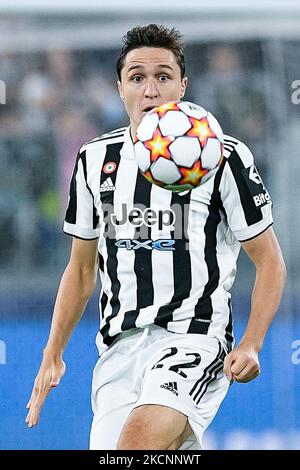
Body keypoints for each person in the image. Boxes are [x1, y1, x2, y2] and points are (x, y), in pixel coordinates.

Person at [25, 24, 286, 450]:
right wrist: (51, 353)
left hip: (194, 341)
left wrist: (253, 342)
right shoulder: (95, 159)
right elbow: (81, 268)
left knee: (135, 447)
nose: (150, 90)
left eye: (163, 77)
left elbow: (270, 260)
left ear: (182, 87)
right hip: (118, 350)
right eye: (137, 77)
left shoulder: (224, 155)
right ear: (120, 88)